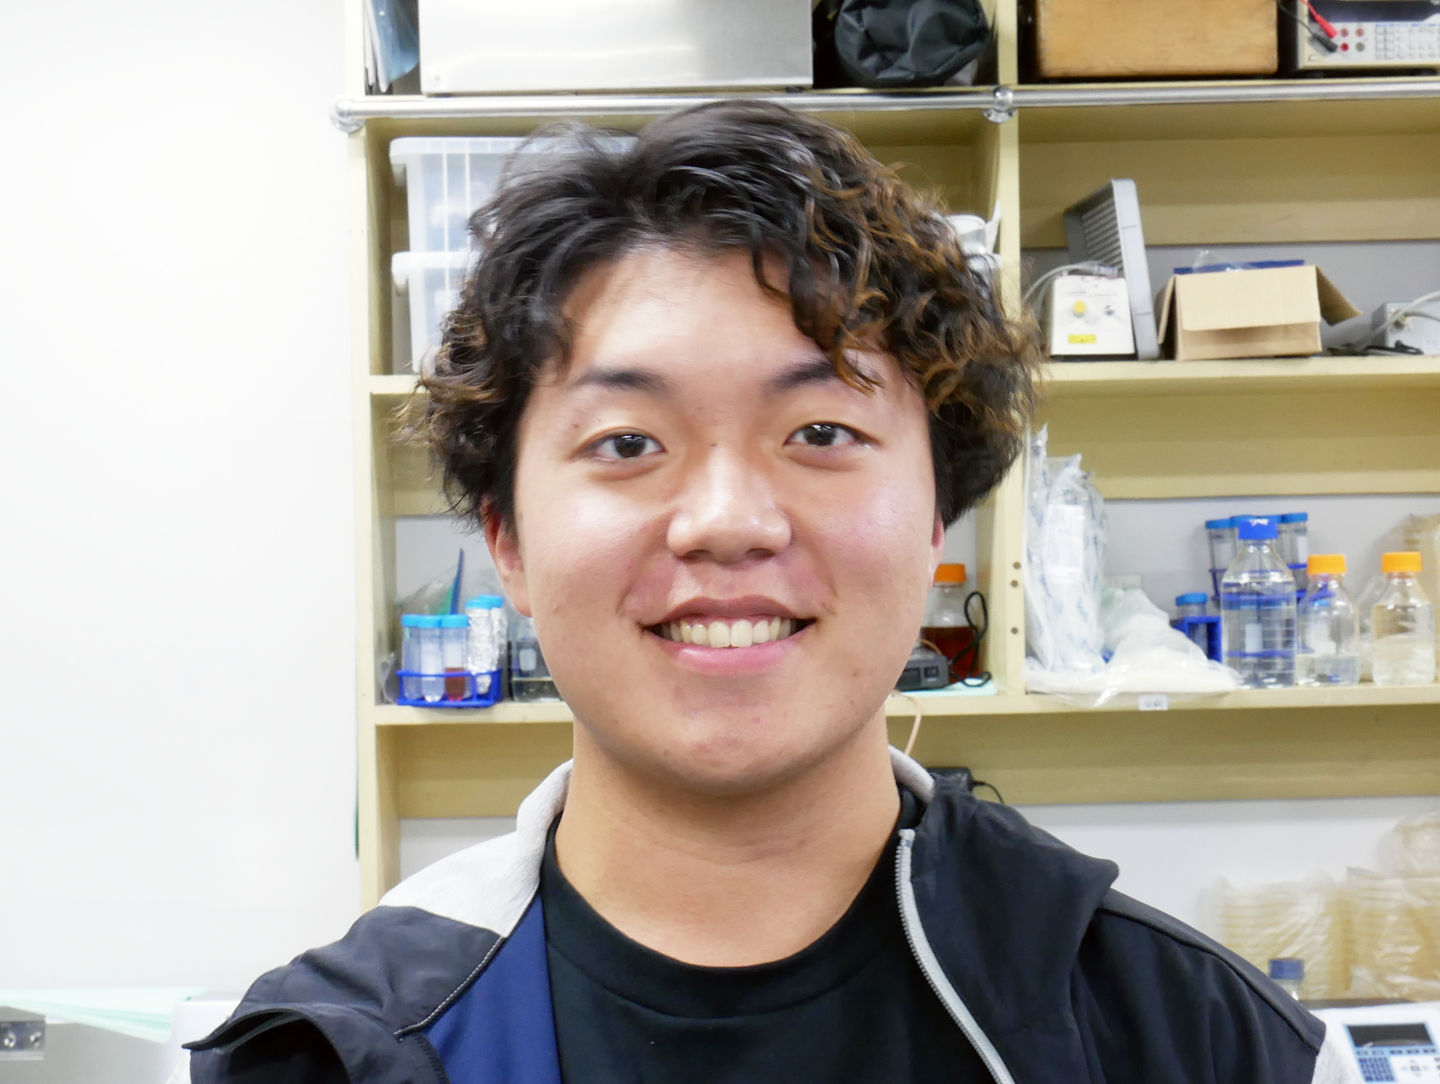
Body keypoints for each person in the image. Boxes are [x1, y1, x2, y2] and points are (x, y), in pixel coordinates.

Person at [184, 101, 1347, 1084]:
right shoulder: (333, 1052)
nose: (729, 520)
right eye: (628, 442)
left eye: (822, 431)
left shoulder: (1206, 1041)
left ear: (935, 518)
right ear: (509, 543)